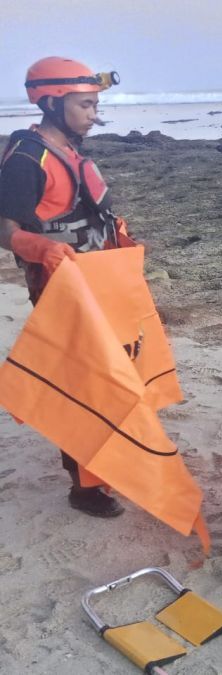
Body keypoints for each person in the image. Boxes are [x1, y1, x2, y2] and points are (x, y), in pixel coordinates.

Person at [0, 57, 130, 518]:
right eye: (85, 104)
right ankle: (84, 488)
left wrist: (119, 238)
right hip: (62, 291)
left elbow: (84, 212)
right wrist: (40, 249)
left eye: (95, 104)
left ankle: (113, 460)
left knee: (117, 375)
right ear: (52, 102)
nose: (94, 113)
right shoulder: (26, 158)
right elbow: (5, 228)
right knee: (83, 387)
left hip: (98, 282)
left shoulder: (70, 149)